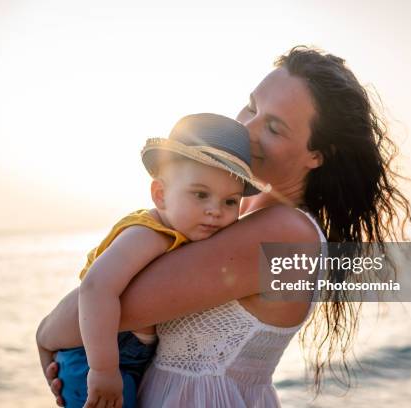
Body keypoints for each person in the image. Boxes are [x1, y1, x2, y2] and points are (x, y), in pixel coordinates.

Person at [40, 45, 411, 407]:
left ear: (316, 155)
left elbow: (101, 310)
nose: (247, 130)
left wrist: (45, 336)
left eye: (274, 127)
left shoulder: (284, 234)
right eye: (251, 107)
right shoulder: (240, 216)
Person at [36, 113, 271, 408]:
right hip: (99, 357)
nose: (215, 211)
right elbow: (96, 288)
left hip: (131, 358)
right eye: (200, 194)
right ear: (160, 195)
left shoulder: (187, 235)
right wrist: (103, 370)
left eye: (229, 202)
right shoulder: (148, 233)